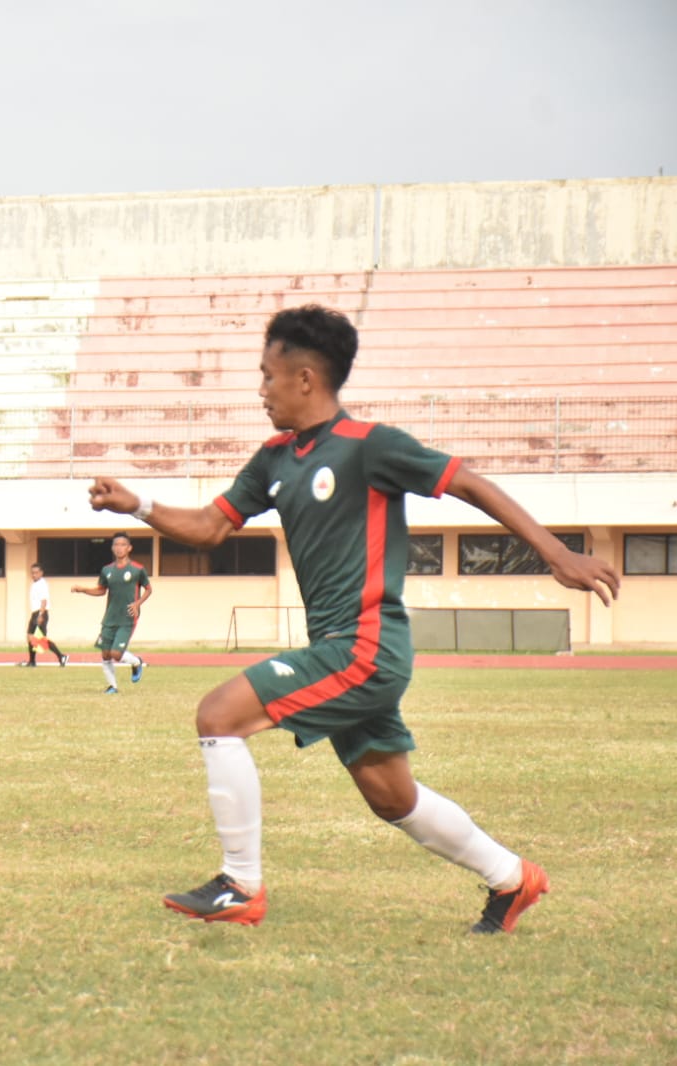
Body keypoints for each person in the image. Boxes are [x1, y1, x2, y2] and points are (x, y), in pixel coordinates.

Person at [88, 304, 619, 933]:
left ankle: (240, 885)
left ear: (305, 378)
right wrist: (140, 503)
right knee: (392, 797)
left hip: (366, 647)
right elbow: (209, 527)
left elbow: (468, 483)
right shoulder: (274, 459)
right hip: (345, 650)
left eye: (267, 376)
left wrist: (555, 553)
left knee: (218, 715)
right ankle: (513, 878)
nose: (260, 390)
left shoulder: (372, 447)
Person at [70, 532, 149, 692]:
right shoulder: (107, 570)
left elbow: (148, 589)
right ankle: (113, 686)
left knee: (116, 653)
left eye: (122, 545)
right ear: (113, 548)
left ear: (129, 548)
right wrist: (83, 590)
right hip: (110, 618)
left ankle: (136, 662)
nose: (119, 548)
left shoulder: (137, 569)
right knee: (106, 654)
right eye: (116, 545)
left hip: (127, 618)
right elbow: (101, 590)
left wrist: (138, 603)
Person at [19, 563, 68, 667]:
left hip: (40, 613)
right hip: (35, 613)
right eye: (32, 573)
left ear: (41, 573)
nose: (34, 575)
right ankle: (32, 661)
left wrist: (41, 615)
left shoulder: (42, 584)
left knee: (41, 639)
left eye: (36, 573)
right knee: (31, 637)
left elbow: (44, 601)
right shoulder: (34, 584)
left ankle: (61, 656)